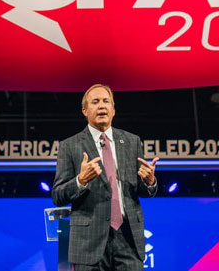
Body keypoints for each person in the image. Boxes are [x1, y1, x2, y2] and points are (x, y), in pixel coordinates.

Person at [52, 84, 158, 271]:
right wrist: (80, 180)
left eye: (106, 101)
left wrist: (149, 182)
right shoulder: (70, 146)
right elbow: (58, 195)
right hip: (88, 243)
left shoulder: (132, 141)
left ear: (113, 110)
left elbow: (141, 191)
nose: (101, 106)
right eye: (95, 102)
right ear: (85, 110)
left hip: (128, 240)